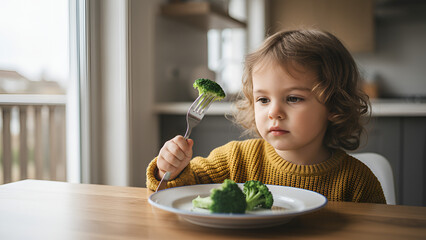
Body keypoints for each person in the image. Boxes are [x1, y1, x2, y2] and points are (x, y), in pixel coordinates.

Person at [146, 29, 386, 203]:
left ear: (334, 106)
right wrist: (169, 169)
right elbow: (174, 189)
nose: (274, 112)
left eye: (293, 98)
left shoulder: (358, 182)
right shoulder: (236, 160)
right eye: (263, 99)